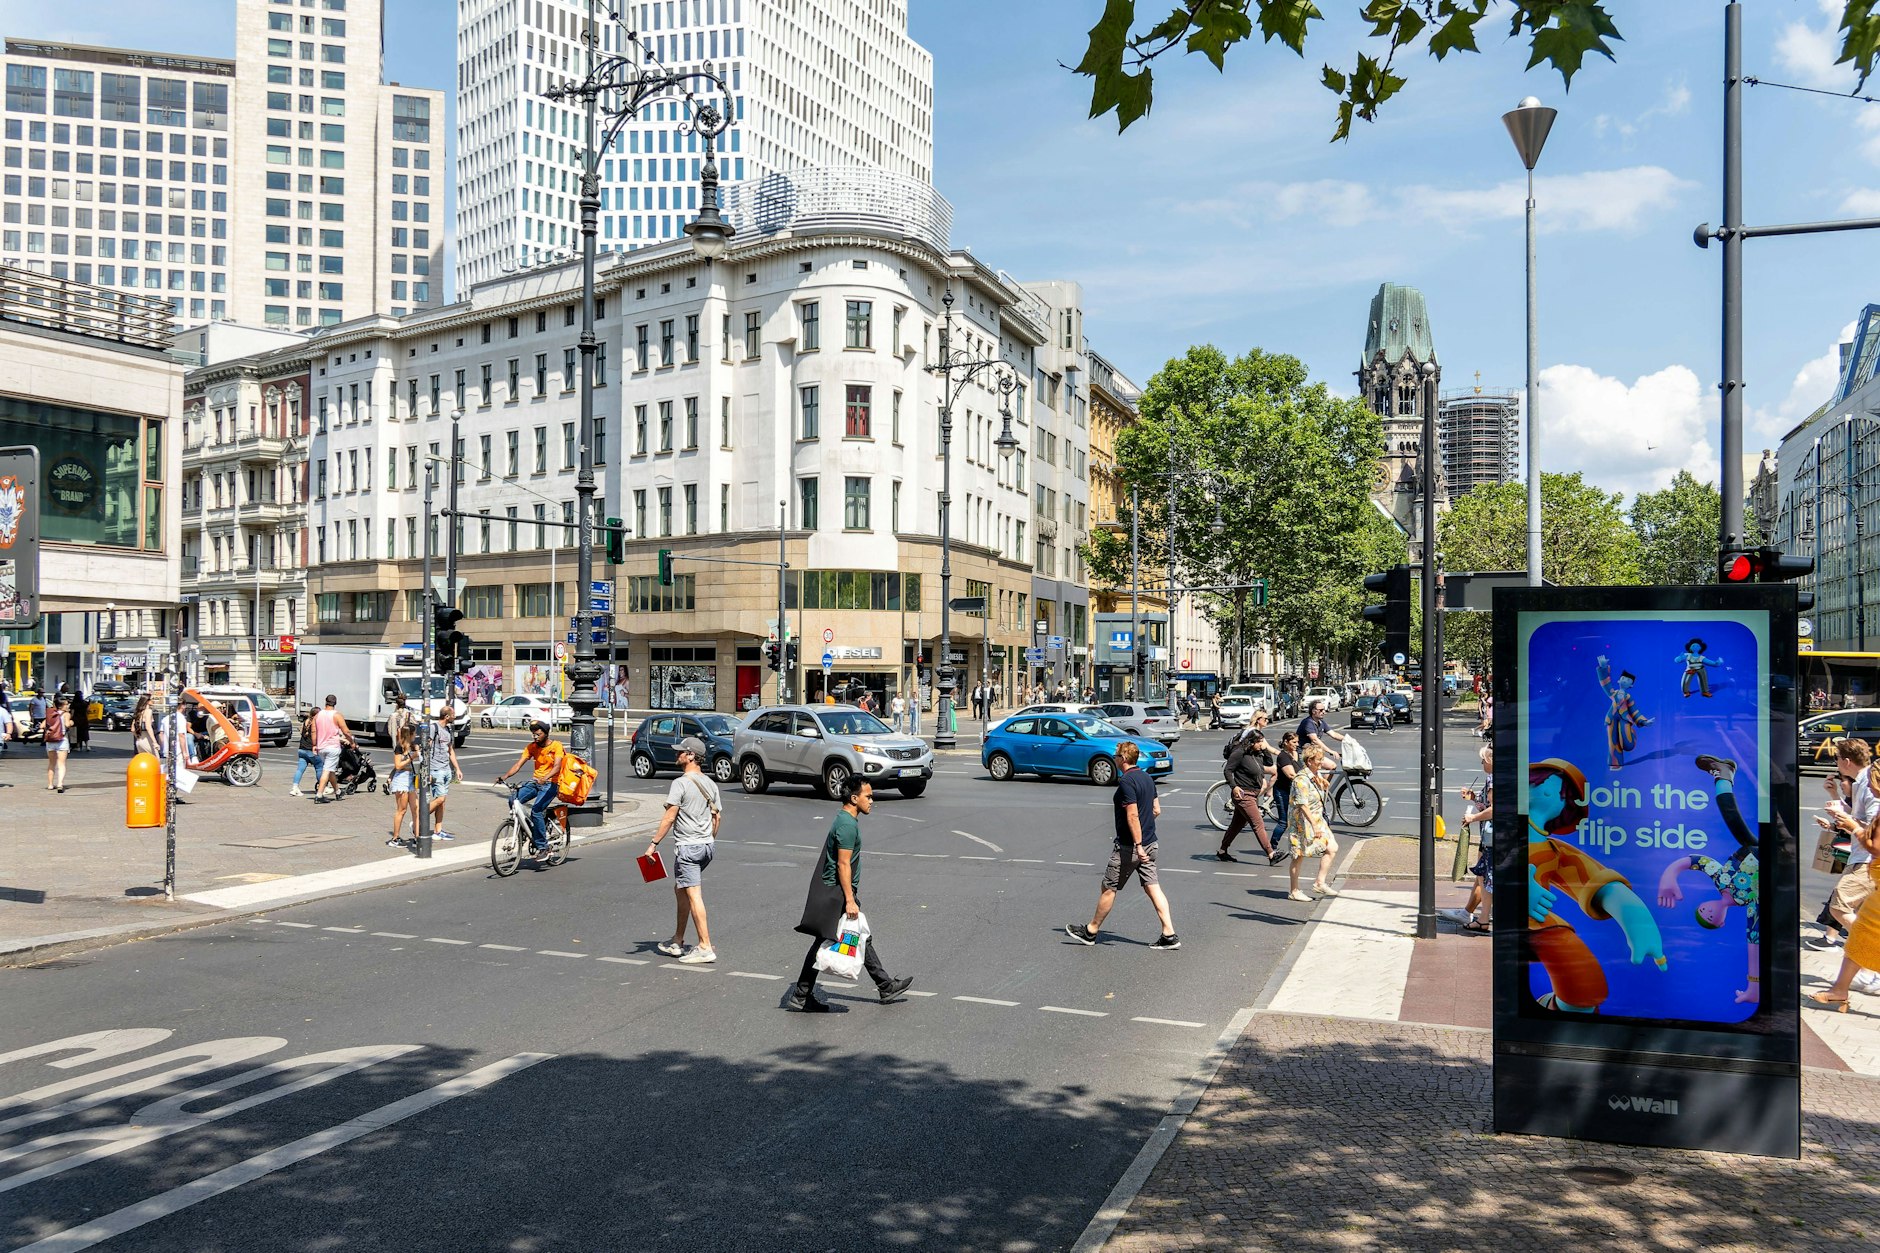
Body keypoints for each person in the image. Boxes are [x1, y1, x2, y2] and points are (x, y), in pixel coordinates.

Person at [788, 777, 914, 1011]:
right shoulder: (847, 825)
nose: (872, 800)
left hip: (837, 889)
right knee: (832, 939)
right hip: (837, 891)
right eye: (868, 796)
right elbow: (843, 865)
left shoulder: (845, 819)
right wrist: (849, 900)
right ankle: (802, 994)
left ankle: (803, 994)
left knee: (857, 936)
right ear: (854, 799)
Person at [1066, 741, 1180, 949]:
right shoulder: (1147, 777)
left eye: (1117, 756)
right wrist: (1145, 834)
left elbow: (1133, 814)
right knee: (1153, 887)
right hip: (1151, 842)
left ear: (1124, 759)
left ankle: (1091, 931)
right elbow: (1156, 810)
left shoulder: (1127, 782)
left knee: (1109, 888)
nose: (1115, 759)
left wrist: (1137, 844)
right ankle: (1169, 934)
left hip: (1131, 848)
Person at [648, 736, 723, 964]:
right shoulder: (710, 783)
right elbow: (717, 817)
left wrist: (653, 844)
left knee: (693, 894)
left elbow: (670, 816)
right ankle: (678, 940)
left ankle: (705, 946)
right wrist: (708, 838)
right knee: (681, 889)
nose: (677, 755)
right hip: (706, 847)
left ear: (691, 755)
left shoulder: (680, 783)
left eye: (681, 752)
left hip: (688, 848)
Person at [1814, 740, 1880, 999]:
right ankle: (1857, 975)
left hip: (1866, 859)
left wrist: (1849, 823)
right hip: (1863, 857)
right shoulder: (1863, 782)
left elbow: (1871, 827)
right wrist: (1836, 804)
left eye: (1837, 759)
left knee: (1841, 906)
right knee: (1859, 917)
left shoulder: (1867, 782)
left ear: (1846, 761)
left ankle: (1870, 963)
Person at [1440, 746, 1495, 932]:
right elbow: (1486, 804)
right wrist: (1474, 798)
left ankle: (1481, 916)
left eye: (1483, 760)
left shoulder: (1493, 779)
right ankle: (1477, 914)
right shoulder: (1496, 778)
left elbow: (1494, 809)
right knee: (1482, 875)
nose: (1482, 764)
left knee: (1484, 875)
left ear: (1490, 761)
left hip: (1491, 836)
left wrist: (1472, 818)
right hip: (1490, 836)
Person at [496, 720, 567, 856]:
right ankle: (525, 828)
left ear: (546, 733)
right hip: (535, 782)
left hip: (551, 783)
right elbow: (518, 765)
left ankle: (543, 847)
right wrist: (504, 777)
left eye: (538, 734)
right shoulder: (531, 747)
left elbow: (557, 766)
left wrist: (545, 777)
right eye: (533, 734)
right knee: (513, 800)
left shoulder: (556, 746)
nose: (535, 737)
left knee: (536, 810)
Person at [1220, 728, 1282, 865]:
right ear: (1251, 742)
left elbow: (1269, 763)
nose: (1261, 744)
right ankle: (1271, 854)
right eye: (1259, 742)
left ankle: (1222, 851)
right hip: (1243, 794)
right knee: (1258, 824)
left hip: (1253, 794)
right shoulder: (1239, 752)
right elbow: (1228, 770)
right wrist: (1234, 786)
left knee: (1236, 825)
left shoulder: (1257, 753)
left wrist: (1265, 749)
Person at [1285, 743, 1340, 901]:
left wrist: (1322, 784)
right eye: (1319, 759)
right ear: (1309, 761)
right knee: (1298, 855)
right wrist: (1314, 826)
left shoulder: (1316, 775)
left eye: (1322, 759)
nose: (1322, 762)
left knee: (1332, 848)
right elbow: (1302, 804)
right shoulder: (1301, 780)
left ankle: (1319, 883)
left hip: (1317, 819)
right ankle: (1294, 891)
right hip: (1303, 822)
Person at [422, 706, 463, 840]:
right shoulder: (435, 728)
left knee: (442, 802)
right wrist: (426, 769)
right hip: (435, 769)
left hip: (445, 769)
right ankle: (419, 820)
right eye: (453, 714)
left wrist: (457, 769)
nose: (455, 716)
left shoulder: (448, 730)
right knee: (440, 799)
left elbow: (450, 751)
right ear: (446, 716)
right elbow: (426, 749)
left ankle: (438, 831)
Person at [311, 694, 355, 803]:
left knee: (330, 770)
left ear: (325, 702)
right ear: (335, 703)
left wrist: (314, 745)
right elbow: (346, 731)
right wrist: (351, 741)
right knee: (327, 770)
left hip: (321, 747)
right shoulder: (337, 715)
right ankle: (319, 795)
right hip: (333, 747)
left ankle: (338, 791)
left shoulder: (318, 715)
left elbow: (313, 731)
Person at [386, 724, 417, 847]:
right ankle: (395, 838)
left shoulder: (414, 746)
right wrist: (411, 758)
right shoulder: (400, 747)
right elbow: (398, 765)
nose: (416, 736)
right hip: (402, 779)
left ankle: (417, 836)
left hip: (411, 779)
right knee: (402, 810)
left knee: (416, 809)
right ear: (409, 735)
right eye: (414, 734)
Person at [289, 704, 323, 797]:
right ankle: (322, 787)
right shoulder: (315, 723)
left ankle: (294, 788)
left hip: (301, 750)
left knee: (300, 770)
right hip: (310, 750)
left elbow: (301, 732)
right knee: (319, 767)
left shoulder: (306, 721)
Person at [1272, 730, 1300, 834]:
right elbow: (1291, 775)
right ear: (1286, 742)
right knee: (1283, 822)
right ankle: (1272, 848)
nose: (1297, 744)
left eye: (1297, 742)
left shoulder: (1294, 754)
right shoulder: (1283, 756)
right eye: (1294, 742)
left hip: (1292, 791)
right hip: (1282, 791)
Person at [43, 694, 70, 792]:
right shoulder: (66, 714)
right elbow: (67, 724)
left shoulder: (51, 713)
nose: (67, 706)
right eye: (66, 705)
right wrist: (71, 722)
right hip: (62, 740)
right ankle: (59, 784)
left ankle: (50, 784)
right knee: (61, 764)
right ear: (62, 706)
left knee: (51, 763)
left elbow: (42, 725)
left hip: (51, 741)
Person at [131, 693, 159, 758]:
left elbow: (132, 729)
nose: (153, 701)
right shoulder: (149, 711)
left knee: (144, 761)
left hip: (139, 741)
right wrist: (154, 742)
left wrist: (137, 737)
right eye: (152, 699)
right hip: (148, 741)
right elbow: (148, 727)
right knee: (155, 762)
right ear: (147, 701)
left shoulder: (138, 712)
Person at [70, 689, 90, 754]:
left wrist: (70, 718)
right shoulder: (85, 703)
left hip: (76, 720)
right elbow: (88, 711)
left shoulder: (74, 703)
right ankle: (87, 746)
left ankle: (78, 746)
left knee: (78, 733)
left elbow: (72, 713)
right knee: (85, 732)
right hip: (84, 719)